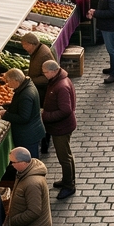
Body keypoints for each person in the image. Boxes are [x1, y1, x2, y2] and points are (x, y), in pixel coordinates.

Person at [41, 59, 77, 199]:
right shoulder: (58, 80)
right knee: (66, 155)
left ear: (54, 71)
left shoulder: (61, 86)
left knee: (64, 157)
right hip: (62, 126)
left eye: (45, 72)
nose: (44, 75)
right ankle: (68, 180)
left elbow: (65, 110)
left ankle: (69, 186)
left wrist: (46, 115)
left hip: (62, 127)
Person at [1, 69, 45, 156]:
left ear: (15, 81)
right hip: (32, 131)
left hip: (28, 135)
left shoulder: (25, 95)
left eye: (8, 81)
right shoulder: (28, 85)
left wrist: (5, 115)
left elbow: (23, 118)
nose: (8, 84)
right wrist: (10, 105)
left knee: (30, 160)